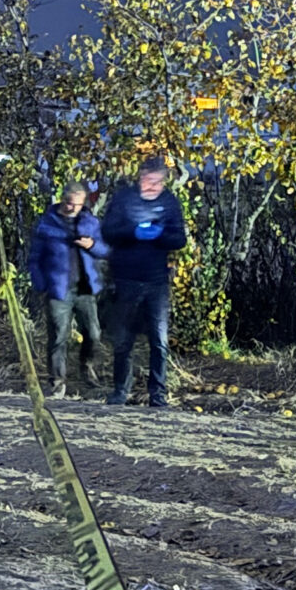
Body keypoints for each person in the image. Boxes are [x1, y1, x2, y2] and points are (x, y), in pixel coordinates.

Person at [99, 157, 187, 408]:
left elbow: (179, 239)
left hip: (156, 280)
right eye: (148, 181)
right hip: (125, 278)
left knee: (159, 341)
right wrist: (132, 232)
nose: (152, 187)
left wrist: (161, 236)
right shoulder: (124, 198)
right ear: (140, 178)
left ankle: (157, 395)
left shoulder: (169, 202)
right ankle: (120, 392)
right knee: (123, 340)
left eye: (158, 182)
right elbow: (108, 232)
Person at [26, 184, 107, 397]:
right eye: (70, 203)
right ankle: (57, 382)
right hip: (58, 289)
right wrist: (41, 285)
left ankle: (86, 367)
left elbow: (106, 249)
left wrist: (92, 246)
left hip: (85, 288)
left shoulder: (91, 222)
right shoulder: (46, 223)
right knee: (59, 336)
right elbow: (34, 259)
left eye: (78, 204)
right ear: (63, 200)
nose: (73, 207)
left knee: (93, 333)